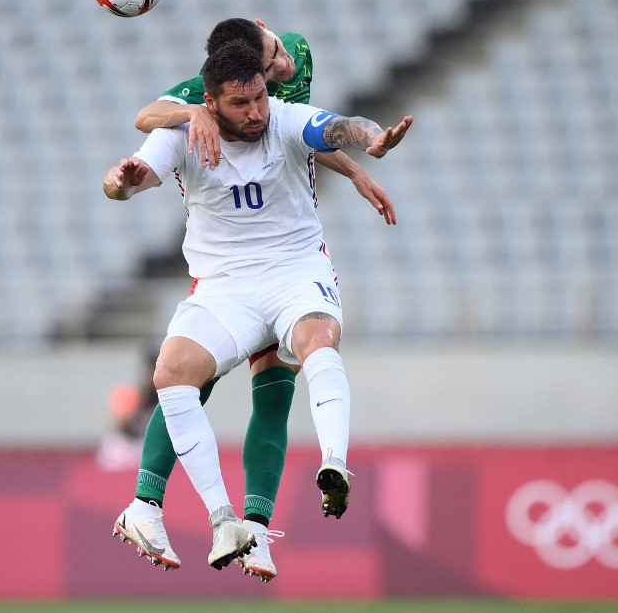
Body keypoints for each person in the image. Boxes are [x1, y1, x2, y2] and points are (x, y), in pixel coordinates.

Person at [104, 40, 413, 572]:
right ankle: (209, 519)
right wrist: (120, 183)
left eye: (261, 98)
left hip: (294, 272)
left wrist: (371, 141)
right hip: (225, 284)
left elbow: (334, 126)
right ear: (210, 101)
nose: (256, 112)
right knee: (174, 373)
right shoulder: (182, 125)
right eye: (241, 104)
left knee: (313, 346)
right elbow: (130, 172)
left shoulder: (284, 113)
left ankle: (332, 466)